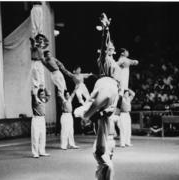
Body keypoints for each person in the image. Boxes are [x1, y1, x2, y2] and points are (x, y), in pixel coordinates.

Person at [74, 12, 120, 180]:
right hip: (109, 93)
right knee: (104, 163)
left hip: (107, 87)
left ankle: (85, 111)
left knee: (100, 156)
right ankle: (87, 111)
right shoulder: (104, 60)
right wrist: (106, 29)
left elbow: (106, 42)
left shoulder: (110, 64)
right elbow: (105, 44)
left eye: (111, 47)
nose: (110, 48)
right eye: (108, 48)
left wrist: (106, 28)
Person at [31, 88, 51, 158]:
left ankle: (42, 151)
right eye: (41, 94)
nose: (43, 95)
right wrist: (34, 89)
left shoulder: (44, 100)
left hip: (42, 119)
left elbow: (49, 95)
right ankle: (35, 153)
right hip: (36, 119)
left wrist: (44, 88)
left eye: (43, 94)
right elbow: (33, 94)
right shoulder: (35, 100)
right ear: (38, 95)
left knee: (43, 136)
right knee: (35, 136)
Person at [30, 34, 49, 103]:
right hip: (34, 62)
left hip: (40, 63)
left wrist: (42, 36)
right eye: (40, 39)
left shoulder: (41, 46)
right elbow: (33, 45)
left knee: (42, 80)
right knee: (36, 80)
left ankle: (41, 96)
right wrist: (34, 41)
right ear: (37, 39)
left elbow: (47, 42)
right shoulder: (35, 46)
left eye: (42, 39)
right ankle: (35, 97)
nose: (42, 40)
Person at [60, 85, 80, 150]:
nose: (68, 96)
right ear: (65, 96)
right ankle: (63, 145)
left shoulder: (69, 100)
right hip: (65, 116)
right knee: (65, 131)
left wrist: (76, 88)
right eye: (67, 95)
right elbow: (60, 95)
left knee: (71, 131)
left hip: (70, 116)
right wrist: (61, 89)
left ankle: (71, 144)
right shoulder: (63, 100)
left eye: (68, 95)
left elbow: (73, 94)